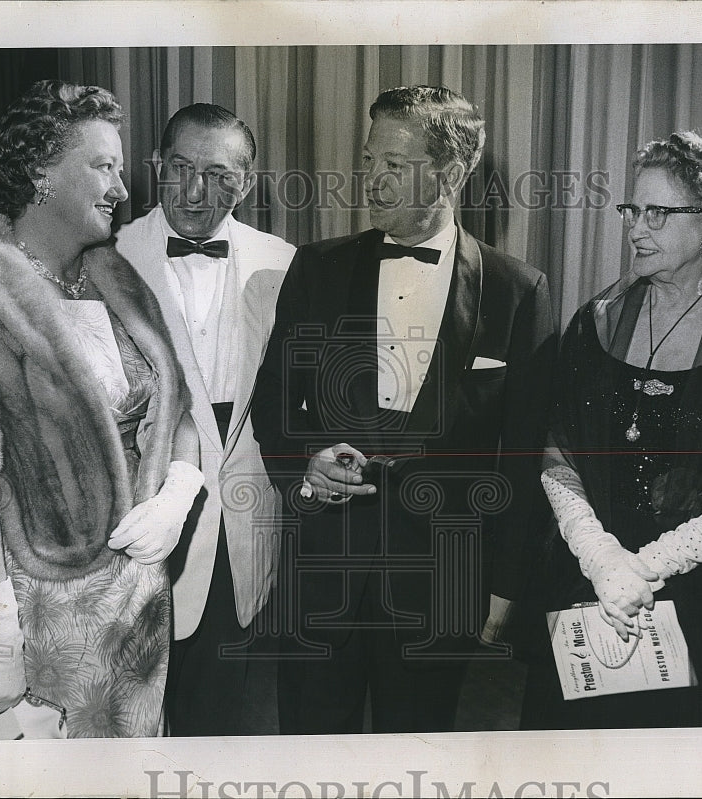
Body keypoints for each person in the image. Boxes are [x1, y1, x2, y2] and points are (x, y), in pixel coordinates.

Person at [251, 86, 556, 734]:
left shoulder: (518, 291)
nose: (372, 178)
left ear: (449, 173)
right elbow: (274, 396)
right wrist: (305, 463)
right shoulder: (319, 268)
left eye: (393, 163)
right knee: (309, 755)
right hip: (321, 577)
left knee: (416, 760)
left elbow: (526, 456)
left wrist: (505, 587)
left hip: (440, 591)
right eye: (369, 160)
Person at [0, 80, 204, 738]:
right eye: (104, 166)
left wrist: (180, 490)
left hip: (140, 623)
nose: (124, 190)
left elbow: (176, 405)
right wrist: (0, 644)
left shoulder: (113, 274)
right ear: (41, 174)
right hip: (43, 629)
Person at [521, 131, 702, 729]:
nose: (636, 227)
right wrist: (602, 558)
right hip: (590, 587)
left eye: (659, 212)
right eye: (633, 208)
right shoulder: (595, 320)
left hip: (699, 605)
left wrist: (645, 567)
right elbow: (557, 449)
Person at [115, 103, 295, 736]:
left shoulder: (286, 264)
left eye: (218, 175)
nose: (195, 191)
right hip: (133, 519)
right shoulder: (108, 256)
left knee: (217, 716)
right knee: (128, 714)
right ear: (158, 166)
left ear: (245, 183)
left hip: (240, 529)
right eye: (181, 168)